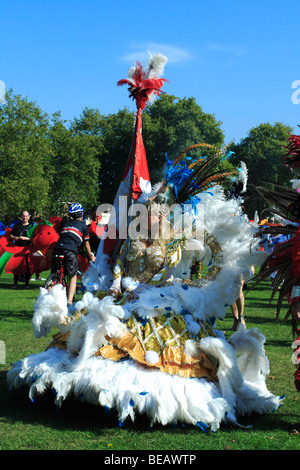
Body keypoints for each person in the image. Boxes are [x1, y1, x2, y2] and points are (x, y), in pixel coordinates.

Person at [51, 203, 95, 305]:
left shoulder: (65, 223)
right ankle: (69, 301)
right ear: (81, 214)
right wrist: (91, 256)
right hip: (69, 251)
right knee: (73, 275)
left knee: (54, 275)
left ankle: (47, 293)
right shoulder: (83, 226)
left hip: (57, 249)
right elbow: (86, 244)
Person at [10, 210, 34, 288]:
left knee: (27, 266)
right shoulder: (16, 225)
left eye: (26, 216)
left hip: (27, 249)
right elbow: (11, 236)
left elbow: (33, 238)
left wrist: (25, 238)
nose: (25, 217)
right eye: (23, 216)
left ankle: (27, 283)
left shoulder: (31, 226)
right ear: (21, 217)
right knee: (16, 266)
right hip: (17, 248)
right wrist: (16, 238)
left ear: (29, 217)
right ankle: (15, 283)